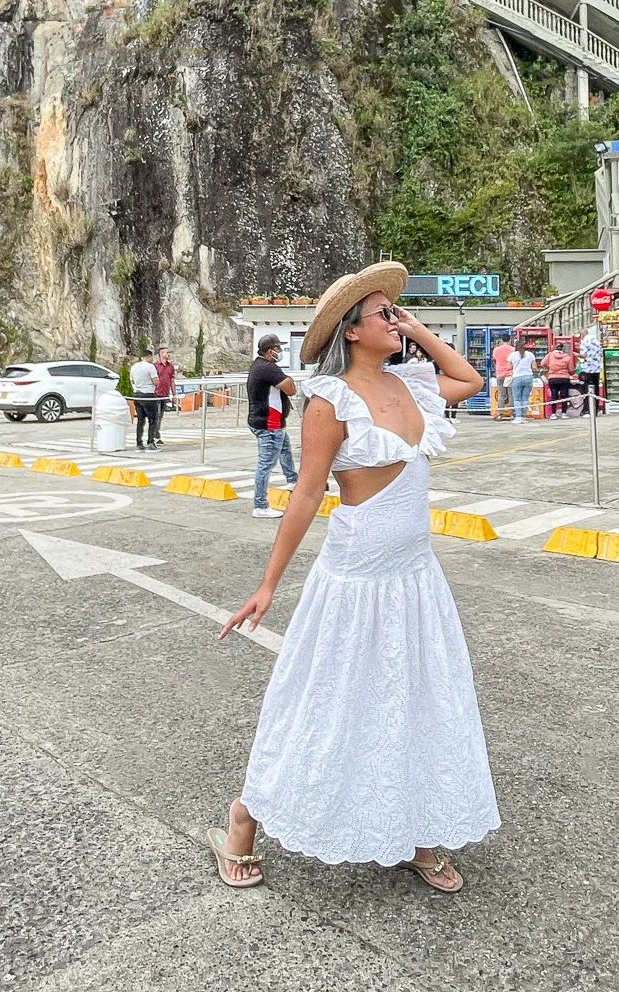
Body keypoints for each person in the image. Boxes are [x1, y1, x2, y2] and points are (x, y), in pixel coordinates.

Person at [210, 262, 497, 894]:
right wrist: (267, 586)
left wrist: (417, 326)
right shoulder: (329, 400)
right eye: (382, 314)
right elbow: (307, 494)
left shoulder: (415, 384)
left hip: (415, 579)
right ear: (353, 331)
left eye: (396, 313)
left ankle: (417, 833)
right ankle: (242, 820)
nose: (394, 321)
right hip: (355, 580)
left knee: (418, 700)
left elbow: (470, 378)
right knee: (323, 703)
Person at [246, 334, 298, 520]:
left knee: (285, 449)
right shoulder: (269, 369)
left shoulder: (259, 365)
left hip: (268, 421)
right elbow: (291, 389)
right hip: (269, 423)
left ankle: (292, 480)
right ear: (270, 351)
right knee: (265, 464)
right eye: (278, 349)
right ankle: (260, 505)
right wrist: (289, 380)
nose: (280, 352)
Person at [130, 352, 163, 449]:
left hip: (137, 394)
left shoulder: (134, 367)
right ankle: (150, 441)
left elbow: (132, 381)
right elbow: (156, 381)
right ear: (149, 357)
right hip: (148, 394)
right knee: (153, 419)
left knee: (141, 420)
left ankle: (139, 442)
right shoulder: (150, 367)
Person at [576, 324, 603, 413]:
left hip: (588, 369)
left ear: (582, 335)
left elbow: (584, 355)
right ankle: (595, 409)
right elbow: (600, 354)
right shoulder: (597, 341)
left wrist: (577, 355)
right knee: (596, 390)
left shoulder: (584, 342)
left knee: (588, 390)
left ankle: (588, 410)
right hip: (597, 368)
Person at [545, 340, 575, 416]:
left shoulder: (550, 355)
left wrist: (549, 367)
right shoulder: (567, 357)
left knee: (554, 395)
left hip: (553, 378)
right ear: (562, 348)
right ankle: (564, 413)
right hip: (564, 378)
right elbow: (571, 370)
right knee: (564, 395)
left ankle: (553, 413)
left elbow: (542, 363)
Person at [509, 342, 536, 422]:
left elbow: (509, 367)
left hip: (517, 377)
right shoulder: (530, 355)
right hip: (528, 377)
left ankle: (518, 417)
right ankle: (524, 416)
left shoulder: (512, 355)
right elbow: (534, 367)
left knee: (517, 399)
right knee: (525, 398)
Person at [490, 332, 513, 418]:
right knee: (511, 394)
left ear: (502, 340)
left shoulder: (496, 349)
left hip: (500, 373)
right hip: (510, 373)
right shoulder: (513, 349)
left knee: (501, 394)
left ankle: (499, 414)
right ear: (509, 340)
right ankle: (512, 414)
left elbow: (495, 359)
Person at [153, 345, 177, 414]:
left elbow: (172, 381)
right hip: (156, 394)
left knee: (161, 414)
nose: (168, 354)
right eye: (167, 353)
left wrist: (174, 395)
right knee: (155, 414)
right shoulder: (155, 366)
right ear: (161, 354)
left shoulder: (170, 366)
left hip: (165, 394)